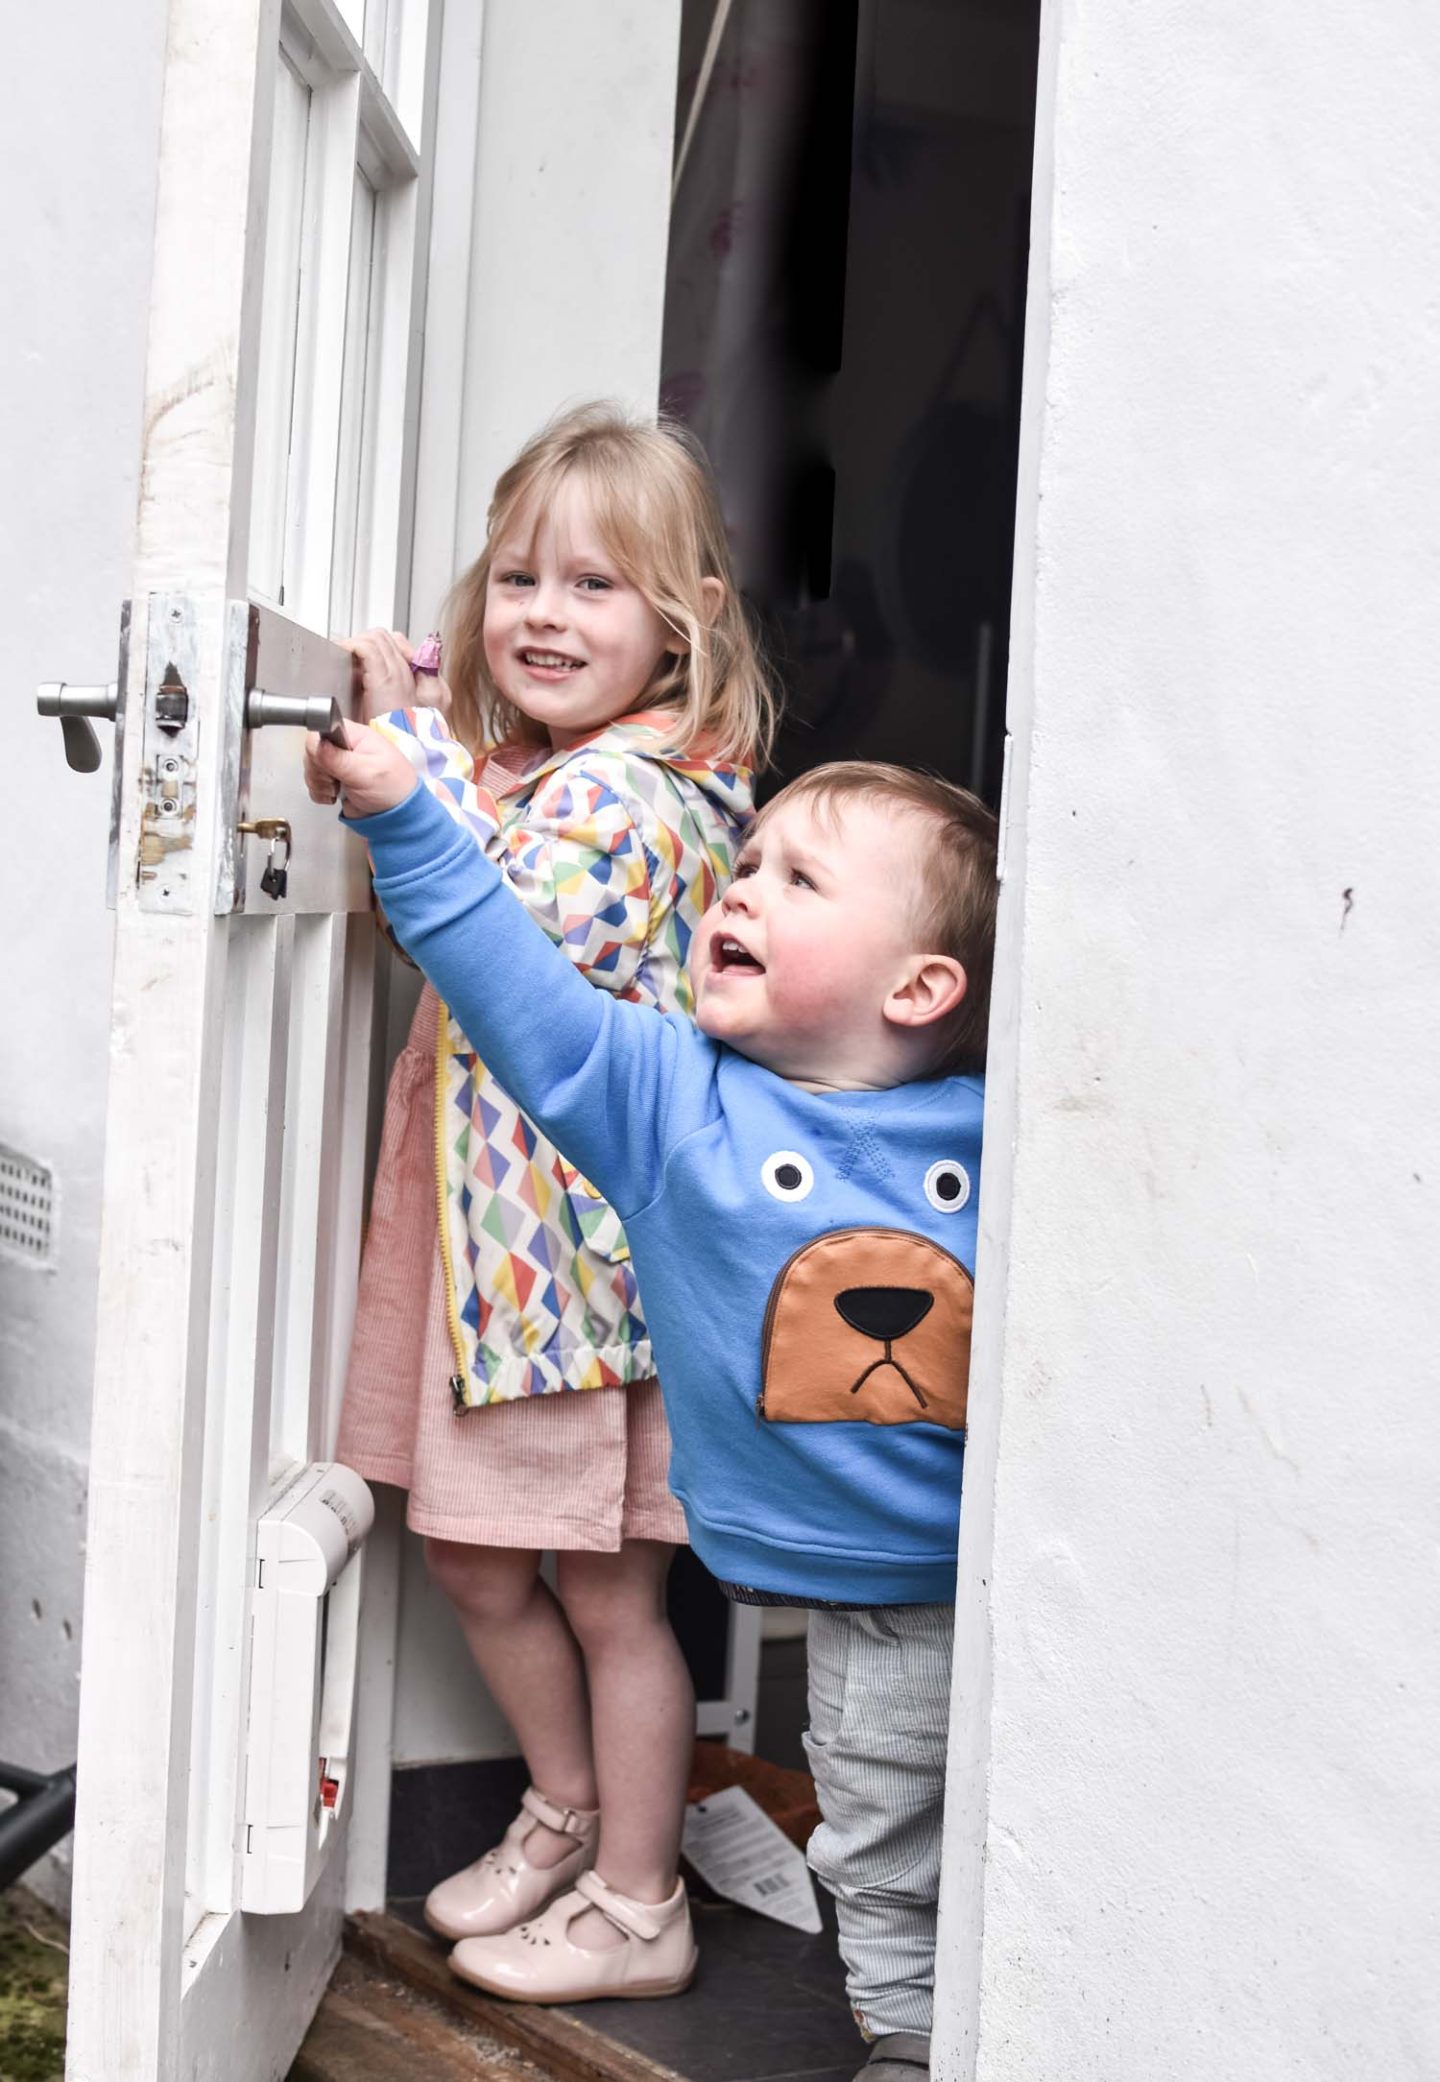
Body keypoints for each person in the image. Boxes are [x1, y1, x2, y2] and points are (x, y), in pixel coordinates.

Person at [308, 722, 997, 2079]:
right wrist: (403, 812)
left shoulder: (1003, 1121)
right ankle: (912, 2034)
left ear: (921, 985)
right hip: (882, 1592)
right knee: (880, 1826)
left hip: (1020, 1557)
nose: (739, 888)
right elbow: (515, 986)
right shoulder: (671, 1105)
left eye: (801, 880)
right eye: (747, 861)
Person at [322, 405, 773, 2002]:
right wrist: (431, 762)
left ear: (685, 619)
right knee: (478, 1558)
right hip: (505, 1269)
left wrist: (411, 764)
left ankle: (641, 1899)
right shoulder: (557, 774)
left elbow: (489, 915)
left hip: (576, 1273)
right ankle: (571, 1812)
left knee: (603, 1587)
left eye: (594, 584)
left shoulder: (641, 799)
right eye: (520, 575)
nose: (541, 612)